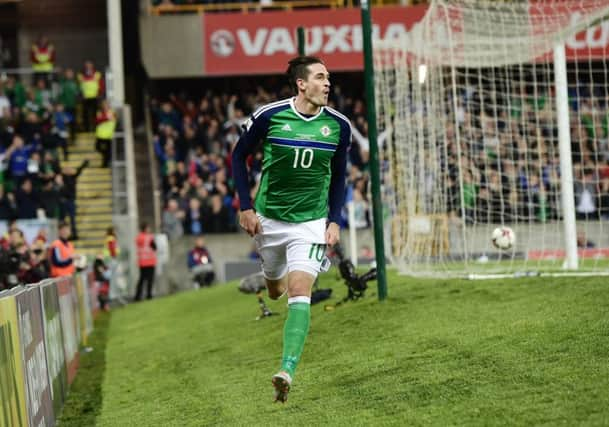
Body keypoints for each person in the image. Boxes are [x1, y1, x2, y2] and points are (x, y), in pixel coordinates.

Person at [231, 55, 349, 403]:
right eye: (320, 77)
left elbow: (339, 175)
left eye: (328, 78)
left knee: (300, 290)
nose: (328, 83)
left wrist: (335, 219)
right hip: (269, 219)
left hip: (311, 223)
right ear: (301, 83)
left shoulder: (338, 126)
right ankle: (269, 279)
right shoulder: (269, 116)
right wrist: (245, 206)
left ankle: (286, 369)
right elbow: (239, 158)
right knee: (275, 288)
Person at [77, 60, 103, 132]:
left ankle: (95, 128)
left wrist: (99, 94)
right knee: (85, 114)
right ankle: (86, 129)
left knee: (95, 114)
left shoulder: (97, 74)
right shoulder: (81, 74)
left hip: (94, 97)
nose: (88, 66)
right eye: (87, 65)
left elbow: (100, 85)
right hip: (85, 97)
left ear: (92, 65)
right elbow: (80, 85)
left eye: (89, 65)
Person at [134, 222, 157, 301]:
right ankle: (149, 295)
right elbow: (154, 247)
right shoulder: (149, 237)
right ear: (145, 228)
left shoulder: (138, 237)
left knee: (141, 279)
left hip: (142, 261)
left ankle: (137, 296)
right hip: (150, 261)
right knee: (150, 279)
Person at [95, 99, 117, 167]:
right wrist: (106, 118)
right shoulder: (99, 112)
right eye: (103, 105)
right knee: (98, 148)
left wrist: (104, 118)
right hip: (100, 134)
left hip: (108, 135)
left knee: (108, 151)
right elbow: (97, 120)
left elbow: (113, 119)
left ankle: (105, 163)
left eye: (106, 105)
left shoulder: (112, 112)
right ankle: (106, 161)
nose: (105, 106)